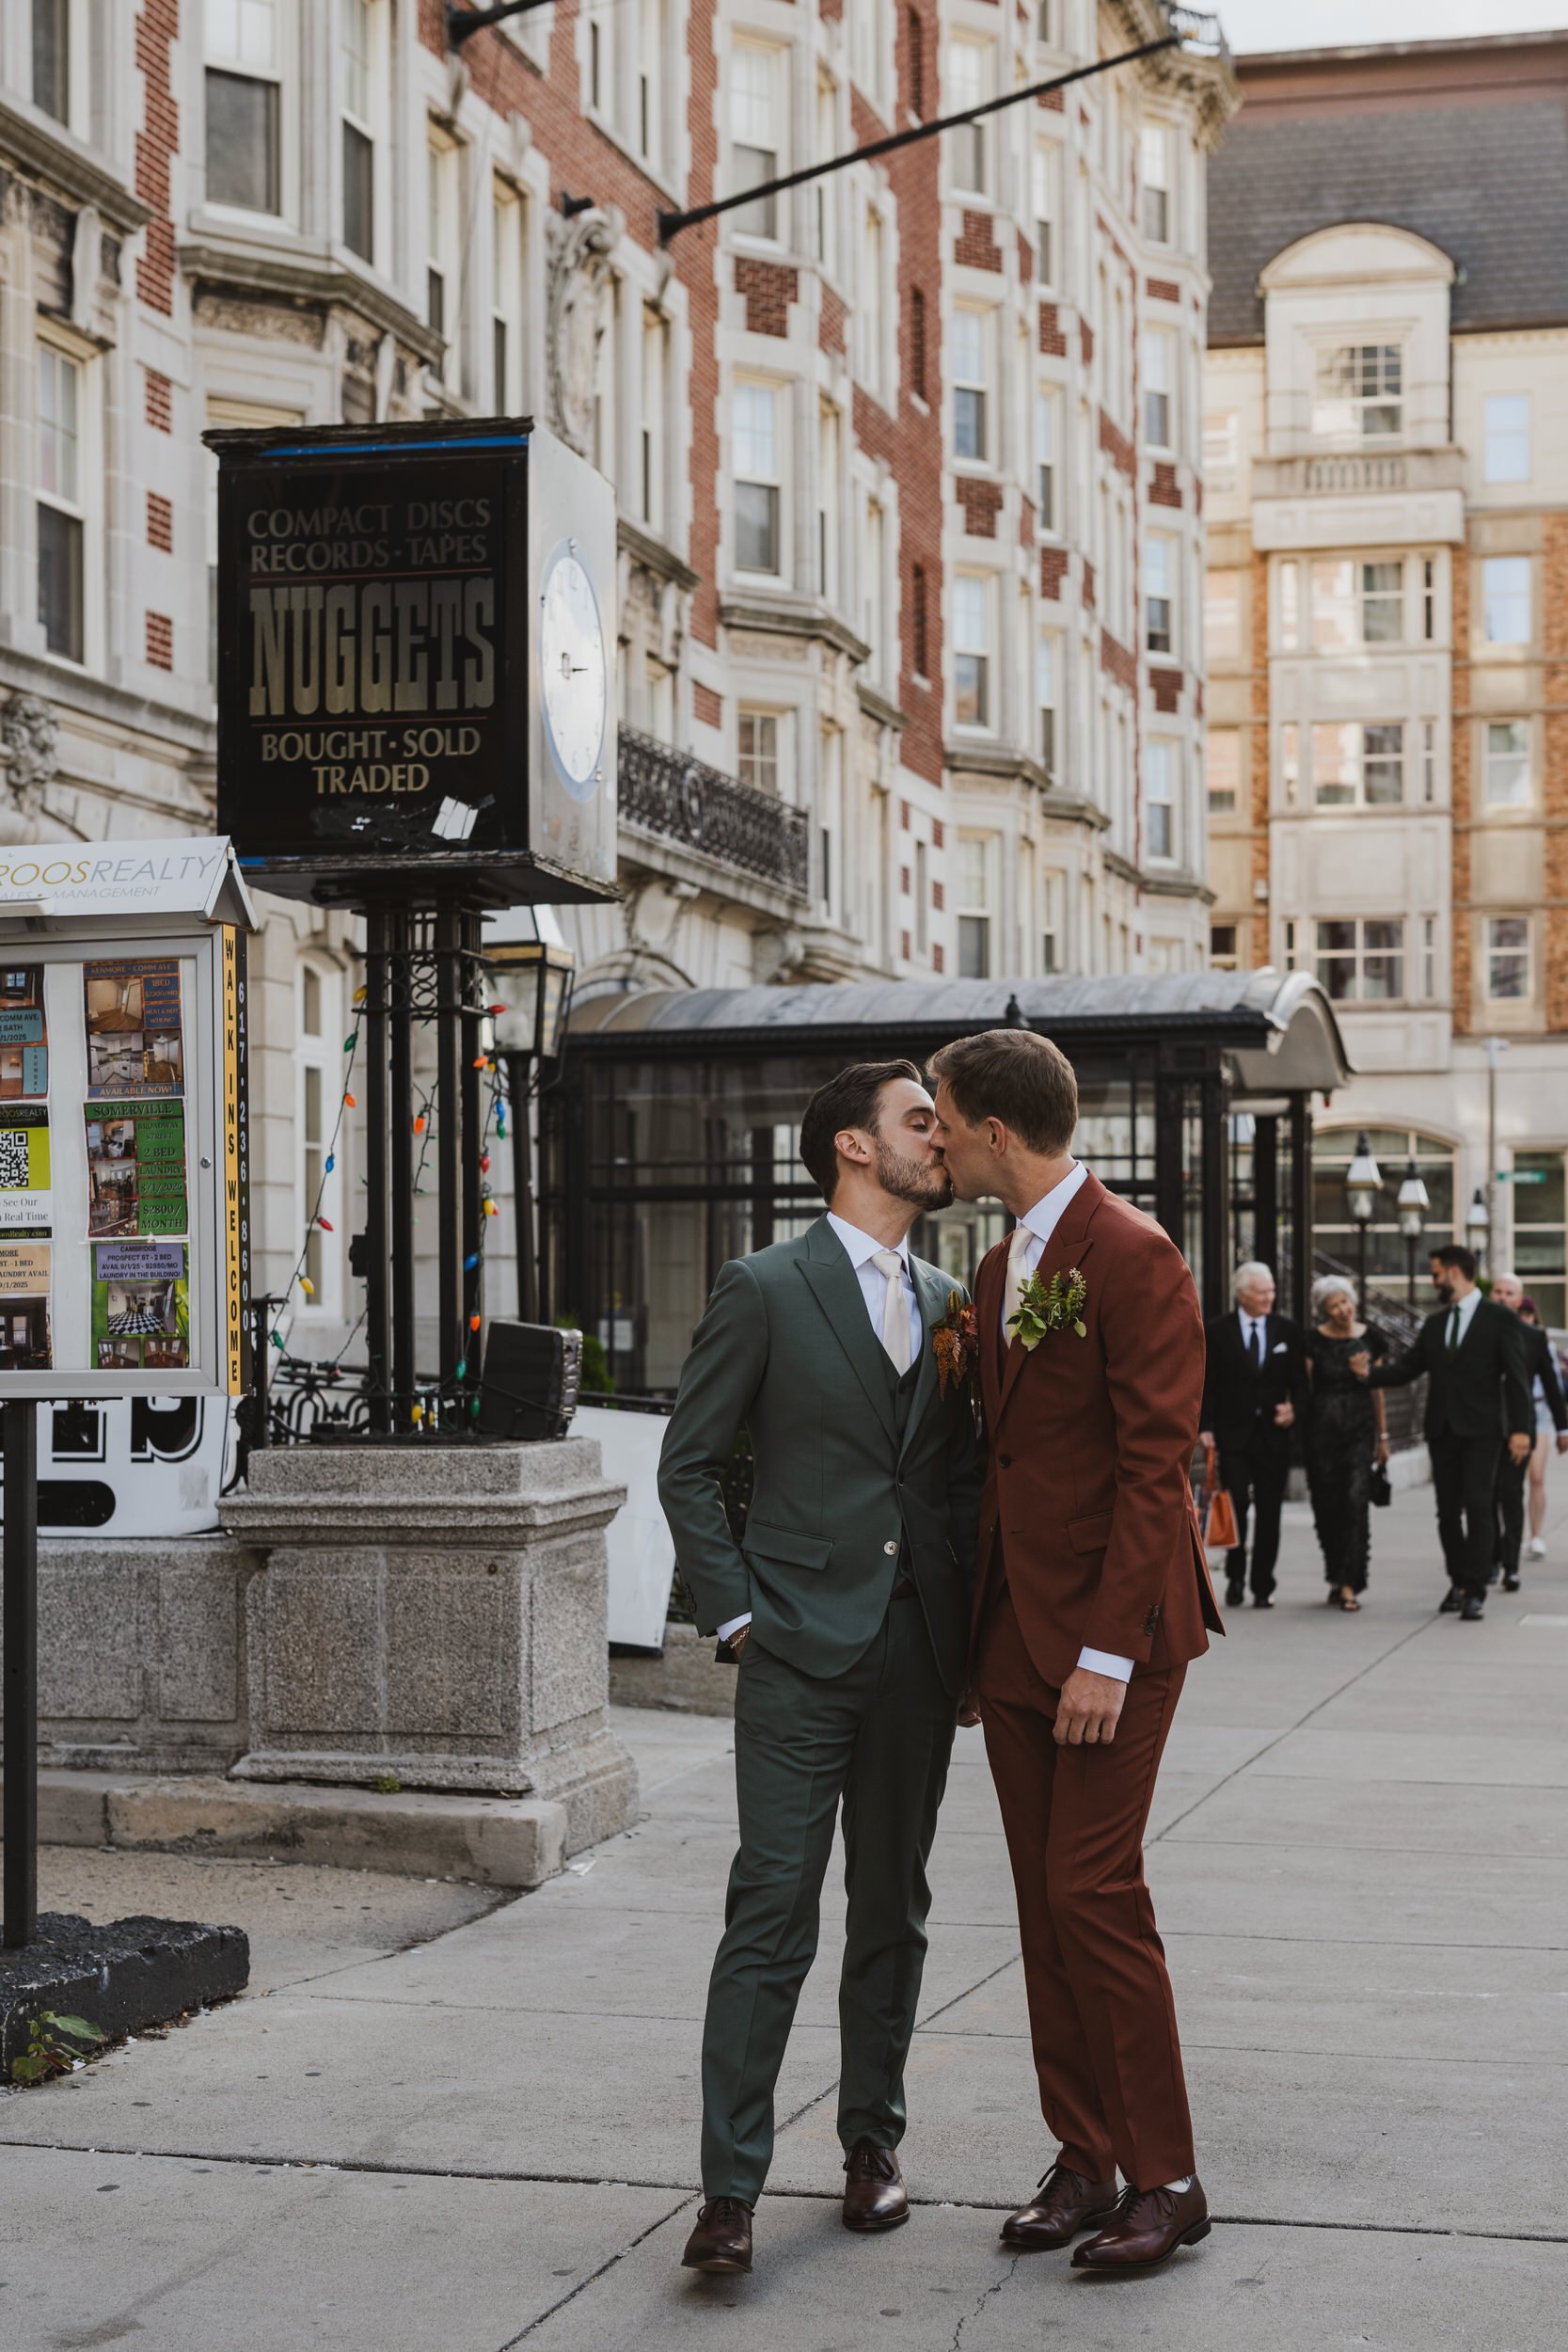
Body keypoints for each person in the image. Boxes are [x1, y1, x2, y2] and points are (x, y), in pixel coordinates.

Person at [658, 1060, 981, 2276]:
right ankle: (727, 2191)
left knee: (890, 1912)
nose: (937, 1137)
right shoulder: (763, 1288)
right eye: (917, 1122)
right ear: (853, 1147)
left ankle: (869, 2149)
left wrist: (967, 1636)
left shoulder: (952, 1300)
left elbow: (951, 1480)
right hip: (794, 1647)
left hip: (915, 1651)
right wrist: (736, 1616)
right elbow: (687, 1466)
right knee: (771, 1911)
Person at [930, 1028, 1221, 2280]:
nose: (930, 1138)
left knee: (1094, 1895)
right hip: (1010, 1639)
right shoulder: (999, 1267)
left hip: (1115, 1639)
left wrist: (1105, 1652)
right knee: (1043, 1906)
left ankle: (1166, 2177)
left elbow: (1156, 1463)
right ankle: (1082, 2156)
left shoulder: (1133, 1253)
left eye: (938, 1119)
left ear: (995, 1129)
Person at [1355, 1244, 1531, 1621]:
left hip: (1485, 1432)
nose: (1433, 1281)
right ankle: (1459, 1580)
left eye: (1435, 1274)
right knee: (1447, 1512)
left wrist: (1521, 1430)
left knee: (1479, 1507)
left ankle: (1477, 1589)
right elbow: (1408, 1368)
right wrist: (1368, 1375)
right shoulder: (1435, 1324)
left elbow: (1517, 1379)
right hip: (1442, 1430)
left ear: (1453, 1272)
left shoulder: (1500, 1318)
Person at [1198, 1261, 1307, 1610]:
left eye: (1271, 1290)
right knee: (1238, 1508)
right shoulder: (1217, 1331)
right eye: (1262, 1292)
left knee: (1270, 1512)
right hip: (1233, 1436)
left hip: (1273, 1437)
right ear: (1242, 1294)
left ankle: (1263, 1585)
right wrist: (1207, 1428)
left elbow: (1301, 1387)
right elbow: (1208, 1385)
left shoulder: (1287, 1330)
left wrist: (1294, 1411)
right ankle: (1234, 1579)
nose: (1269, 1297)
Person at [1303, 1275, 1388, 1611]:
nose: (1343, 1310)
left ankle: (1352, 1582)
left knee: (1355, 1501)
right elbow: (1305, 1389)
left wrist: (1383, 1438)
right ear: (1323, 1310)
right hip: (1321, 1435)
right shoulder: (1312, 1341)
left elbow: (1378, 1391)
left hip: (1359, 1432)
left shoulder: (1371, 1340)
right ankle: (1336, 1575)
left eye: (1346, 1301)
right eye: (1334, 1305)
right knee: (1327, 1506)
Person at [1490, 1277, 1568, 1584]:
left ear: (1519, 1300)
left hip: (1521, 1427)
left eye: (1509, 1293)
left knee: (1511, 1493)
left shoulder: (1534, 1337)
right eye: (1497, 1291)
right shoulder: (1477, 1332)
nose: (1502, 1297)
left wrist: (1563, 1428)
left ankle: (1510, 1565)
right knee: (1486, 1497)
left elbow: (1551, 1385)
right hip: (1483, 1427)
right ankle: (1491, 1559)